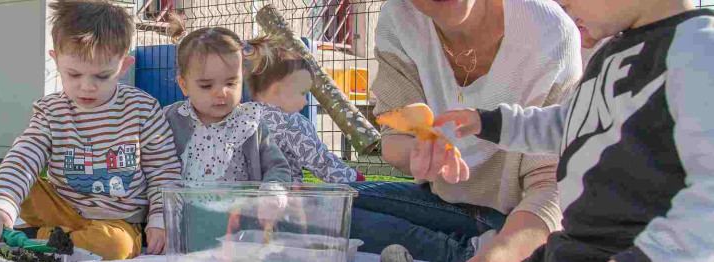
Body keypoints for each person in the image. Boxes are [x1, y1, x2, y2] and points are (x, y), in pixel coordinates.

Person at [0, 0, 182, 260]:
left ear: (123, 65)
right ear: (56, 61)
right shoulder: (51, 110)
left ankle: (29, 241)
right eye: (74, 74)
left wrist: (159, 219)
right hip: (61, 204)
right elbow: (24, 157)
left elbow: (163, 170)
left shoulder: (142, 108)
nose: (87, 86)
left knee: (117, 246)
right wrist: (0, 207)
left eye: (102, 76)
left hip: (118, 219)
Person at [435, 0, 714, 260]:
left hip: (629, 247)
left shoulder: (699, 49)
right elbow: (570, 122)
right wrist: (489, 123)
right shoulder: (611, 51)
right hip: (576, 243)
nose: (562, 3)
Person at [360, 0, 583, 261]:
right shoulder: (398, 18)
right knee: (318, 208)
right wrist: (423, 151)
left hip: (518, 217)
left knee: (339, 223)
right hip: (443, 204)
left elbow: (551, 187)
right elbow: (395, 139)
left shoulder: (551, 32)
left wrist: (499, 254)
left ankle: (472, 251)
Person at [162, 25, 293, 183]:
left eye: (231, 83)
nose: (221, 92)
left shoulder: (249, 122)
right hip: (185, 207)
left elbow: (277, 167)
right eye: (206, 85)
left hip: (240, 207)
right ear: (184, 85)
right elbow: (153, 165)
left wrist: (273, 191)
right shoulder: (170, 119)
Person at [244, 37, 362, 183]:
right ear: (277, 90)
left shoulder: (241, 115)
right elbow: (320, 161)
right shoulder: (292, 124)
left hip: (244, 194)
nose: (305, 101)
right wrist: (353, 177)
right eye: (301, 92)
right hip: (283, 196)